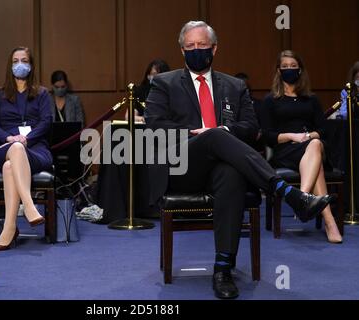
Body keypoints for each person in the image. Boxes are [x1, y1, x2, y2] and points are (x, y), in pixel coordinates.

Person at [144, 20, 334, 299]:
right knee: (212, 136)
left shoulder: (235, 86)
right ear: (182, 51)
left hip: (222, 165)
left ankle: (223, 270)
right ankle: (285, 191)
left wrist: (225, 130)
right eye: (190, 46)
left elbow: (252, 128)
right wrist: (196, 133)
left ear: (215, 48)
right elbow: (154, 127)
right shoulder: (163, 83)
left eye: (202, 45)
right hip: (181, 164)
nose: (196, 50)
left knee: (229, 171)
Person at [261, 50, 343, 244]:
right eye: (285, 67)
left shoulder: (311, 99)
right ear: (278, 71)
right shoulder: (270, 100)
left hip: (311, 145)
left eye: (293, 66)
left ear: (300, 70)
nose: (289, 69)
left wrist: (306, 136)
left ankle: (302, 198)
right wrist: (292, 136)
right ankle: (329, 221)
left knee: (314, 144)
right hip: (285, 150)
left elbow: (323, 129)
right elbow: (266, 135)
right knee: (317, 164)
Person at [0, 46, 53, 251]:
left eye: (24, 60)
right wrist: (9, 138)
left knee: (9, 167)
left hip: (36, 149)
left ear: (31, 65)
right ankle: (29, 206)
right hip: (5, 147)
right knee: (14, 148)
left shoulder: (42, 93)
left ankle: (9, 229)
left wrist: (26, 139)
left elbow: (46, 122)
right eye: (15, 61)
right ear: (10, 65)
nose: (19, 65)